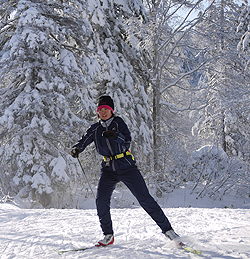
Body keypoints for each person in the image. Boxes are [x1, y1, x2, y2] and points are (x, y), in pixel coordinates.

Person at [71, 95, 180, 247]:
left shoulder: (118, 123)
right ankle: (108, 235)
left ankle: (169, 231)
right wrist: (77, 148)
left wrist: (116, 136)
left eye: (106, 109)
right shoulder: (95, 128)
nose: (103, 112)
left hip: (126, 165)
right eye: (100, 110)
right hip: (108, 168)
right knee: (101, 200)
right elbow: (84, 139)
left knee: (144, 199)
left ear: (111, 110)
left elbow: (127, 141)